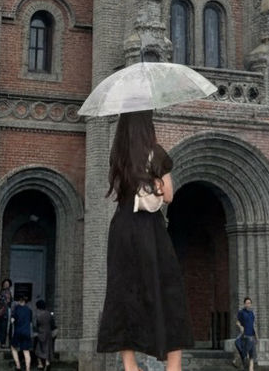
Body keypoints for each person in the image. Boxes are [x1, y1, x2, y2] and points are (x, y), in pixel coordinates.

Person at [97, 110, 193, 371]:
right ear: (146, 125)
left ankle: (131, 366)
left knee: (123, 292)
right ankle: (173, 366)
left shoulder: (118, 156)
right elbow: (169, 195)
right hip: (148, 230)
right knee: (168, 289)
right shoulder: (156, 153)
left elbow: (120, 191)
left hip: (121, 228)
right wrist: (155, 182)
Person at [10, 295, 34, 371]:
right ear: (25, 302)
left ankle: (18, 366)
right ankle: (28, 369)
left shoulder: (16, 309)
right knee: (26, 351)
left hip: (18, 332)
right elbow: (30, 322)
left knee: (13, 348)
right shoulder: (29, 310)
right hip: (26, 332)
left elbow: (12, 320)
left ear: (19, 301)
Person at [235, 297, 257, 371]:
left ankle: (251, 368)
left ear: (251, 304)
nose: (248, 304)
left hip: (251, 335)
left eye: (249, 303)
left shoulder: (252, 313)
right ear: (244, 304)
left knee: (252, 355)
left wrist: (256, 336)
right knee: (246, 352)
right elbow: (237, 322)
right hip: (245, 336)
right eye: (247, 303)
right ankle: (238, 360)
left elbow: (253, 325)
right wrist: (240, 326)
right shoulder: (241, 312)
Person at [33, 299, 54, 370]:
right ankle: (47, 362)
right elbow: (52, 324)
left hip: (41, 333)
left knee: (38, 349)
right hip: (48, 333)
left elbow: (35, 325)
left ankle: (40, 364)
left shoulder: (38, 314)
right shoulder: (49, 314)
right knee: (47, 348)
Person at [0, 278, 13, 349]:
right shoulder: (1, 292)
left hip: (8, 310)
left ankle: (8, 342)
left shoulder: (9, 292)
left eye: (7, 284)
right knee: (3, 327)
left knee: (8, 327)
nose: (6, 285)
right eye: (5, 284)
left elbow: (10, 302)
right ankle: (2, 342)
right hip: (3, 311)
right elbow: (1, 301)